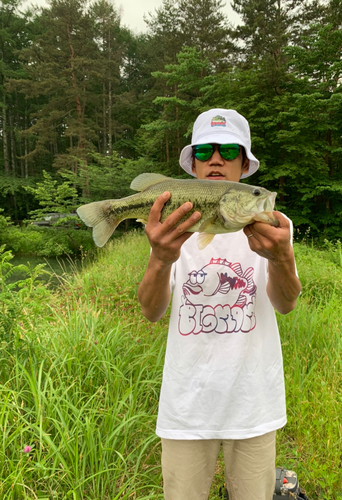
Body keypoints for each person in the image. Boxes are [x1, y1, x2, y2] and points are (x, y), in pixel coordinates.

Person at [137, 109, 302, 500]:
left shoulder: (276, 228)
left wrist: (281, 259)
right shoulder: (174, 227)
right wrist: (160, 258)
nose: (216, 158)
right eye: (205, 150)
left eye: (229, 150)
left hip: (254, 405)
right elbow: (150, 311)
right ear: (192, 162)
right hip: (185, 407)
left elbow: (285, 303)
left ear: (244, 164)